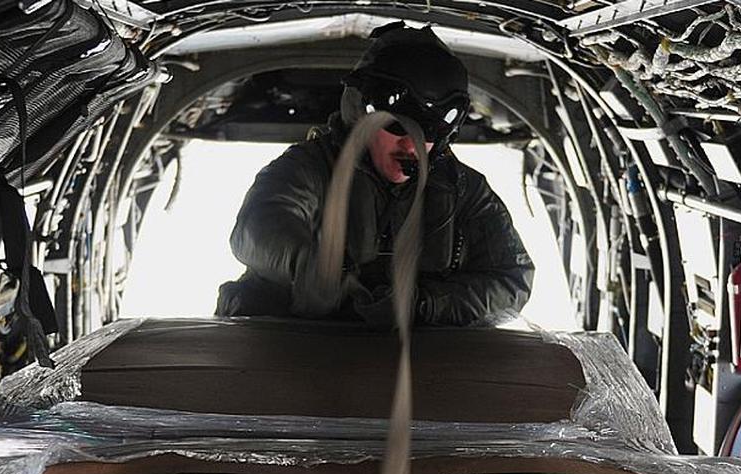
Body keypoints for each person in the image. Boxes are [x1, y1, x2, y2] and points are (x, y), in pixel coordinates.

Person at [216, 22, 534, 327]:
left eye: (430, 130)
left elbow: (511, 281)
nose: (411, 144)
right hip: (289, 352)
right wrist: (316, 271)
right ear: (362, 115)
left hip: (415, 364)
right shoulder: (308, 167)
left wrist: (424, 305)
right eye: (396, 124)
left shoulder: (464, 190)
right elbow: (255, 230)